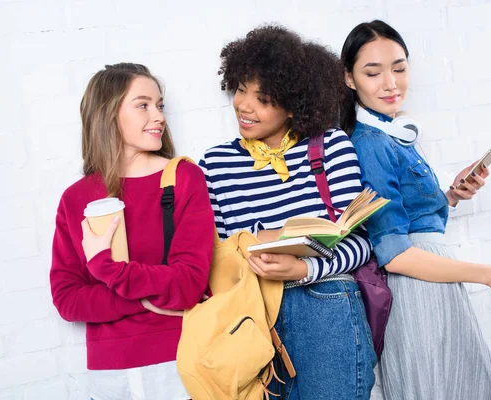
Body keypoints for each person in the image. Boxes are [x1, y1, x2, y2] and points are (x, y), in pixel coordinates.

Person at [340, 20, 491, 400]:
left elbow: (409, 221)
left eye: (399, 68)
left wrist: (450, 196)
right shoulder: (371, 143)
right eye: (372, 72)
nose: (390, 83)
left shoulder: (394, 133)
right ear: (350, 79)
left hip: (430, 283)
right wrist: (489, 274)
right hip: (415, 288)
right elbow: (394, 254)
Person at [200, 26, 377, 399]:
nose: (244, 106)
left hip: (325, 308)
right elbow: (216, 255)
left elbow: (360, 242)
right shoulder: (214, 165)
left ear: (295, 103)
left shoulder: (330, 146)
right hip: (254, 317)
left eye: (262, 98)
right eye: (241, 90)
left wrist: (305, 268)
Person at [49, 63, 214, 400]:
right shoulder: (76, 198)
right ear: (108, 114)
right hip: (109, 378)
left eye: (160, 105)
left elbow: (187, 285)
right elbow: (67, 299)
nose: (159, 116)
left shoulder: (184, 179)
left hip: (180, 366)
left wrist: (108, 272)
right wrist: (147, 293)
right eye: (143, 105)